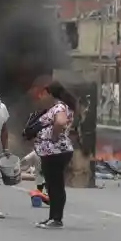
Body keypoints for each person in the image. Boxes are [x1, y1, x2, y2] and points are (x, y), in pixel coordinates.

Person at [30, 79, 76, 229]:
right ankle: (53, 217)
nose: (43, 97)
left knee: (55, 185)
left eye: (45, 94)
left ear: (51, 93)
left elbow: (60, 122)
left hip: (55, 151)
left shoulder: (59, 107)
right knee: (54, 185)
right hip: (56, 151)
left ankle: (56, 218)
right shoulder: (63, 106)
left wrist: (54, 137)